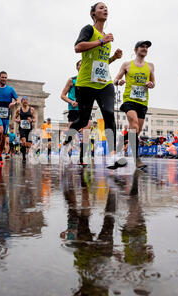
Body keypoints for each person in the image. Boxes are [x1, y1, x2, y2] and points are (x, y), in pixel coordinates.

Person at [63, 2, 125, 170]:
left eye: (106, 8)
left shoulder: (106, 35)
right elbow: (78, 47)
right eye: (101, 8)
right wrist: (101, 41)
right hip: (85, 84)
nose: (105, 9)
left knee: (109, 113)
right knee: (83, 120)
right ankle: (66, 141)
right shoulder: (89, 30)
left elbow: (102, 62)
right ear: (93, 14)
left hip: (104, 83)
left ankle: (112, 155)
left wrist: (114, 58)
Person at [113, 40, 156, 169]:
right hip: (129, 100)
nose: (145, 49)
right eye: (142, 46)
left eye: (146, 47)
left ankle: (122, 141)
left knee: (135, 133)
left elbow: (153, 82)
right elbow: (115, 79)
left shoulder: (150, 66)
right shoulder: (127, 64)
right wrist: (119, 81)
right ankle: (137, 160)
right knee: (135, 126)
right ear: (136, 49)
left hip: (142, 101)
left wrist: (151, 84)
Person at [0, 71, 20, 166]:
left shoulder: (10, 90)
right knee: (0, 131)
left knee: (4, 136)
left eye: (5, 77)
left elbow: (18, 100)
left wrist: (13, 103)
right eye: (2, 77)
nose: (4, 79)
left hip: (6, 115)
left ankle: (0, 154)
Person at [15, 96, 36, 162]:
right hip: (22, 128)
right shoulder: (19, 110)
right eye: (23, 100)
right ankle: (24, 158)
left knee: (28, 145)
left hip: (29, 129)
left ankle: (22, 148)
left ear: (28, 102)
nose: (25, 101)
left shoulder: (32, 109)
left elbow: (35, 119)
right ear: (21, 102)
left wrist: (31, 120)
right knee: (23, 142)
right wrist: (17, 120)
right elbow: (14, 118)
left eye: (26, 100)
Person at [61, 60, 82, 127]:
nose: (81, 67)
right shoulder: (72, 80)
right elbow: (62, 95)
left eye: (83, 65)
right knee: (72, 131)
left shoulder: (89, 81)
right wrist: (71, 102)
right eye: (80, 65)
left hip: (84, 107)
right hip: (74, 108)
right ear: (77, 67)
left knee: (87, 127)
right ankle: (69, 137)